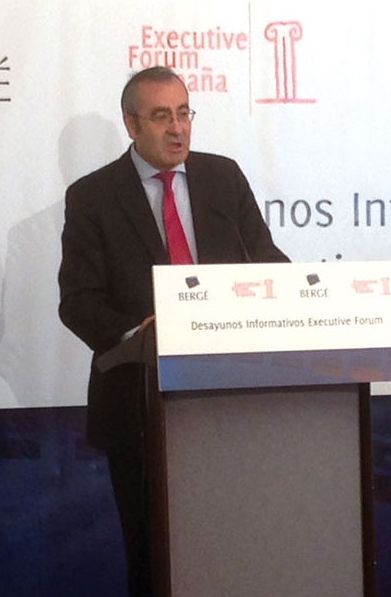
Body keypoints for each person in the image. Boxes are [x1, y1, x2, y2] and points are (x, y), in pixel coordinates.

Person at [57, 66, 289, 597]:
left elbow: (266, 260)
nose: (178, 128)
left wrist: (293, 295)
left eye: (184, 113)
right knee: (156, 557)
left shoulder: (223, 177)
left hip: (232, 400)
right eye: (162, 116)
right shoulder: (93, 196)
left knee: (237, 551)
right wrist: (137, 331)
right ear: (131, 124)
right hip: (140, 408)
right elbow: (78, 303)